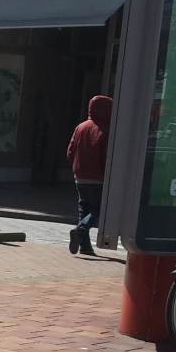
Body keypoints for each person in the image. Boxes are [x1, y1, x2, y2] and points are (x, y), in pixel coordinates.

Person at [67, 95, 112, 256]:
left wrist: (76, 168)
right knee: (99, 210)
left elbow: (70, 151)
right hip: (98, 178)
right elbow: (106, 157)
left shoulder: (81, 127)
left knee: (84, 210)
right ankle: (80, 229)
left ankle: (85, 247)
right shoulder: (106, 130)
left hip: (80, 176)